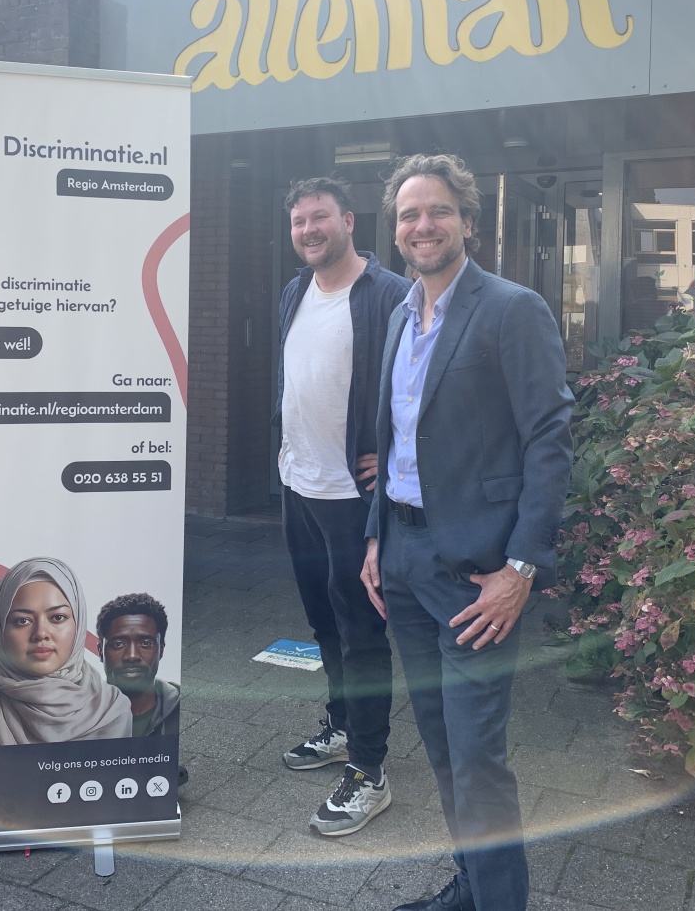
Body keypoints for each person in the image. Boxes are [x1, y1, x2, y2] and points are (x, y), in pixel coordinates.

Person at [360, 154, 573, 911]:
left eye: (437, 211)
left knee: (478, 759)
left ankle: (499, 902)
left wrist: (523, 565)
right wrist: (376, 537)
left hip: (479, 569)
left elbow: (549, 438)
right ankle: (471, 886)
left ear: (468, 222)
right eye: (409, 215)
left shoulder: (512, 309)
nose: (422, 226)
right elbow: (394, 442)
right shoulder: (397, 313)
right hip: (406, 557)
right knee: (442, 747)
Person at [274, 176, 408, 837]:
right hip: (298, 488)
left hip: (352, 500)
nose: (308, 231)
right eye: (299, 221)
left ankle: (370, 769)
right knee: (324, 624)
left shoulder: (388, 296)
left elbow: (423, 382)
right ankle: (343, 723)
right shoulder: (294, 292)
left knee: (361, 634)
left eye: (318, 218)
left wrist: (395, 453)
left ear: (348, 221)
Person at [0, 557, 132, 746]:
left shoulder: (113, 709)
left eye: (57, 617)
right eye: (22, 620)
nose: (40, 634)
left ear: (78, 625)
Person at [95, 593, 180, 737]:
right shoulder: (72, 714)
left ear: (161, 650)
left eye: (145, 643)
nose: (131, 656)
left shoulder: (182, 709)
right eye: (118, 644)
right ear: (100, 652)